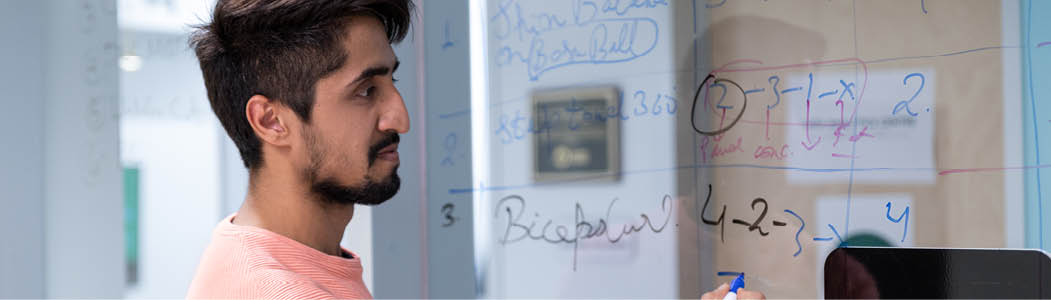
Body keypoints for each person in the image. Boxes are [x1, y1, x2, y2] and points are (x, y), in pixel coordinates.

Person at [185, 0, 412, 298]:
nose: (400, 119)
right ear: (271, 121)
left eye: (391, 80)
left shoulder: (238, 249)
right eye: (366, 91)